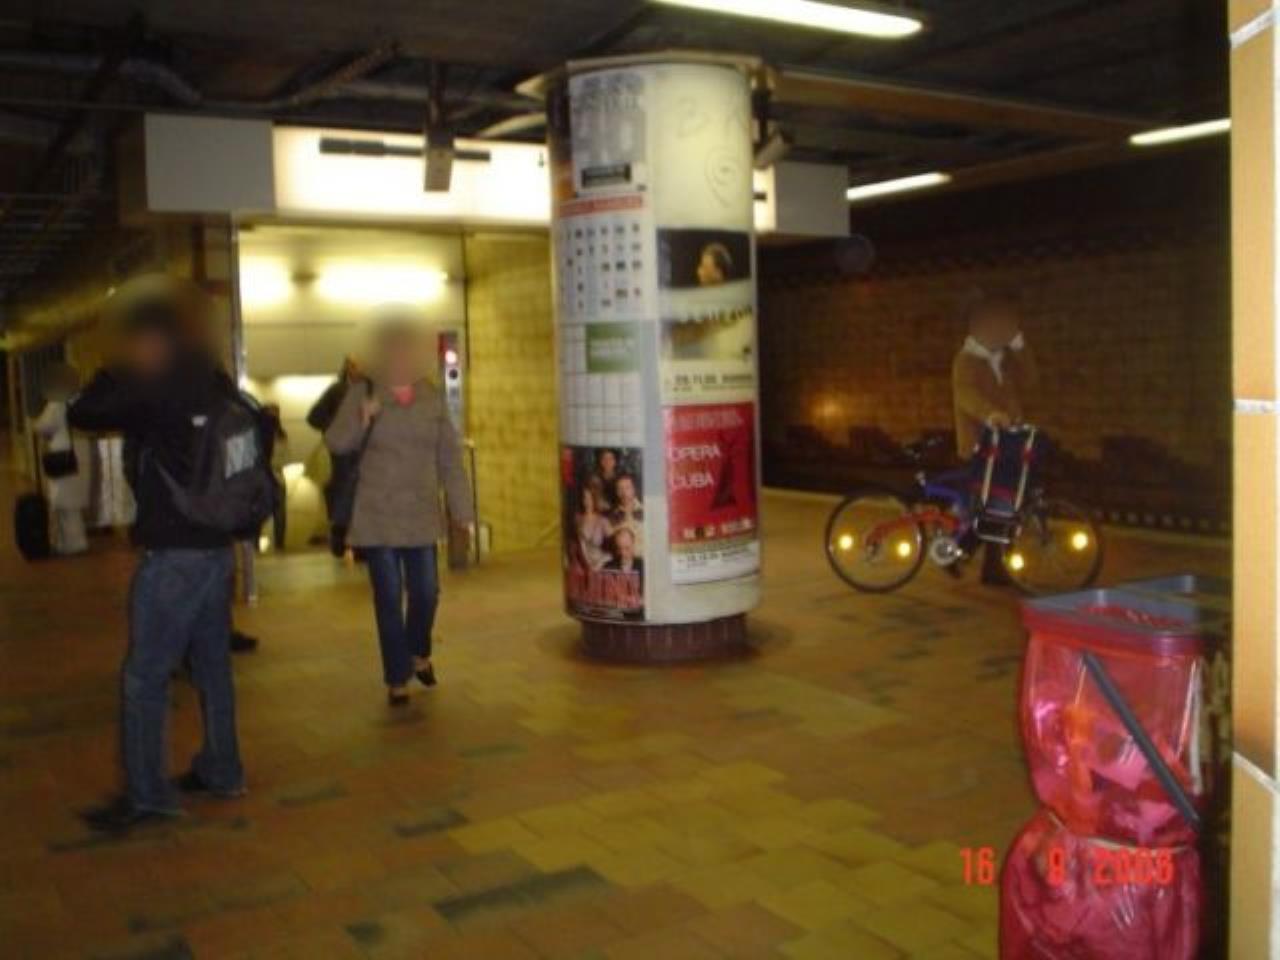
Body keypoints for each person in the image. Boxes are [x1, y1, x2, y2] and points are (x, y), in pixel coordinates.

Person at [67, 274, 247, 832]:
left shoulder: (155, 384)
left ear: (151, 340)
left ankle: (148, 794)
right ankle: (223, 769)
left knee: (144, 675)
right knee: (212, 667)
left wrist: (114, 365)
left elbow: (84, 411)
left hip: (174, 554)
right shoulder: (213, 379)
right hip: (216, 549)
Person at [324, 319, 474, 707]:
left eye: (408, 350)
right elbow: (336, 442)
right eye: (394, 350)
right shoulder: (363, 391)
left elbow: (449, 458)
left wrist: (462, 508)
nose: (401, 357)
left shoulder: (431, 397)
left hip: (420, 512)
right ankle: (397, 677)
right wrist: (362, 418)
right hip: (377, 514)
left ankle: (418, 651)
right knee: (388, 597)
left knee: (426, 592)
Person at [951, 295, 1039, 584]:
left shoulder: (1005, 358)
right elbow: (965, 394)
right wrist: (990, 414)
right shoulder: (967, 360)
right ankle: (975, 558)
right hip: (981, 445)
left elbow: (1031, 380)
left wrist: (1019, 345)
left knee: (1002, 506)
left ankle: (976, 559)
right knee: (994, 506)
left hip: (1008, 443)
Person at [31, 362, 91, 555]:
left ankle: (72, 543)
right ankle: (73, 541)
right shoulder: (81, 399)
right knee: (74, 501)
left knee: (65, 503)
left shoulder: (56, 403)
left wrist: (34, 424)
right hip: (82, 452)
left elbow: (44, 426)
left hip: (63, 456)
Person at [308, 356, 364, 557]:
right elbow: (314, 416)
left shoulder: (371, 390)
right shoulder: (337, 391)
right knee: (345, 492)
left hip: (365, 452)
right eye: (356, 365)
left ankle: (360, 543)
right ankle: (343, 540)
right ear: (348, 368)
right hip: (344, 454)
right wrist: (335, 427)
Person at [575, 479, 611, 570]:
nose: (586, 501)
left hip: (600, 566)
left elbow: (613, 549)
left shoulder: (603, 521)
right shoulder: (577, 519)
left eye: (589, 498)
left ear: (594, 499)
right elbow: (574, 547)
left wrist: (601, 563)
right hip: (581, 566)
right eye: (584, 498)